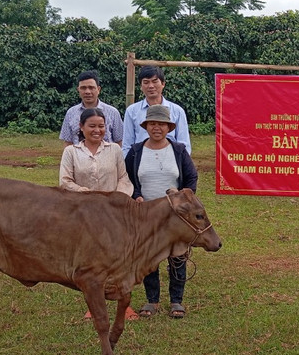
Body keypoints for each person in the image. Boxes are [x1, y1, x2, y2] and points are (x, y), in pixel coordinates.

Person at [59, 107, 138, 321]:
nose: (97, 130)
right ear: (81, 127)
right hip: (83, 215)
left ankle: (124, 304)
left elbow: (124, 177)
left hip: (113, 214)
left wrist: (115, 199)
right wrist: (87, 195)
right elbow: (65, 182)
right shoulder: (72, 152)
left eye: (101, 126)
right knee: (91, 263)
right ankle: (94, 305)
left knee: (119, 260)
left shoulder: (114, 150)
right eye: (92, 126)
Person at [125, 104, 198, 319]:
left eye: (162, 124)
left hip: (175, 216)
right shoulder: (136, 151)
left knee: (178, 256)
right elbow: (128, 179)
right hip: (146, 213)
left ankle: (176, 301)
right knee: (150, 257)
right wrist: (136, 195)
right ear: (146, 126)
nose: (157, 128)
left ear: (169, 127)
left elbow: (191, 178)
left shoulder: (178, 150)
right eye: (153, 123)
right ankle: (152, 300)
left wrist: (184, 197)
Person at [122, 66, 191, 158]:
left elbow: (184, 144)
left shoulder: (177, 111)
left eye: (155, 81)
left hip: (170, 161)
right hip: (141, 162)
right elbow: (127, 144)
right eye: (146, 82)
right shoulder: (132, 111)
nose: (151, 86)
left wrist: (180, 164)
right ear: (141, 86)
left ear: (163, 84)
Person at [59, 71, 125, 147]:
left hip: (107, 157)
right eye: (83, 88)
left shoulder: (113, 112)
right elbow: (68, 142)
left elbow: (120, 141)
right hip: (79, 157)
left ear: (98, 89)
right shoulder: (71, 113)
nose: (87, 92)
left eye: (91, 88)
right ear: (78, 90)